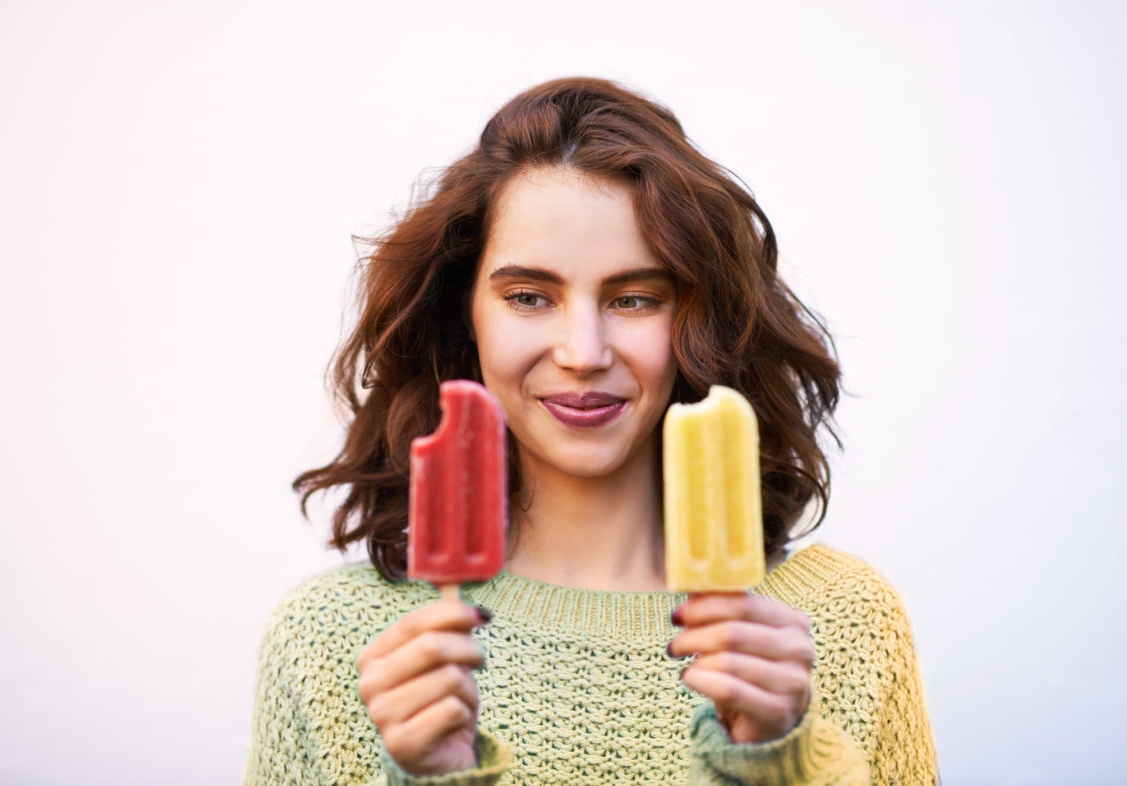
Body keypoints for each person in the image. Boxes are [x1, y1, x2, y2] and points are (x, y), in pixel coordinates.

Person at [245, 77, 938, 785]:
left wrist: (784, 764)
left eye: (634, 298)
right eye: (528, 297)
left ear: (698, 320)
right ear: (466, 316)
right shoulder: (329, 641)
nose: (583, 352)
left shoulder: (842, 623)